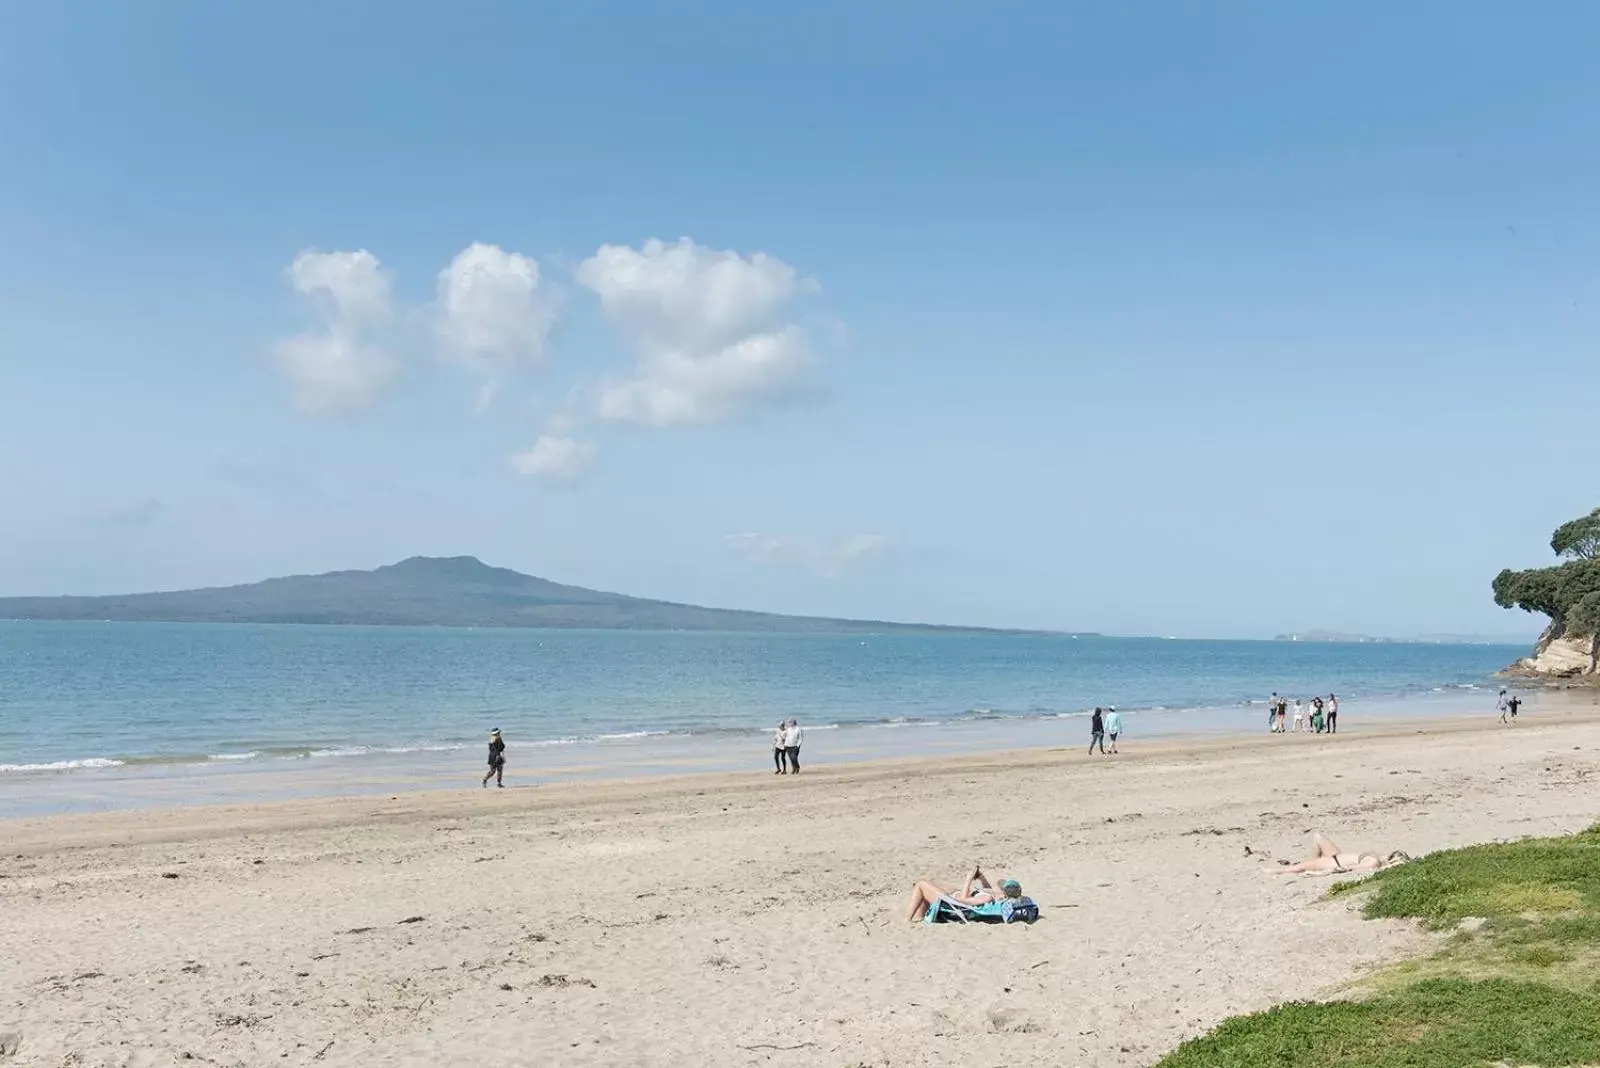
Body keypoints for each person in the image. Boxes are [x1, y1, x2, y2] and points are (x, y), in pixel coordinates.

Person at [904, 866, 1024, 922]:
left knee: (921, 884)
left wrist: (968, 880)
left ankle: (907, 920)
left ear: (1004, 893)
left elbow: (963, 900)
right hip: (954, 895)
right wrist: (981, 877)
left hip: (950, 902)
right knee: (933, 881)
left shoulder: (986, 899)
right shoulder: (995, 897)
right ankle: (920, 916)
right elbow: (988, 890)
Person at [1273, 832, 1409, 875]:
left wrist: (1327, 871)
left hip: (1334, 861)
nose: (1386, 854)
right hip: (1335, 855)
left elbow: (1349, 868)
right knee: (1317, 837)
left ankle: (1271, 871)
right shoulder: (1375, 858)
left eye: (1390, 855)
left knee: (1297, 868)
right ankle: (1309, 862)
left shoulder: (1373, 862)